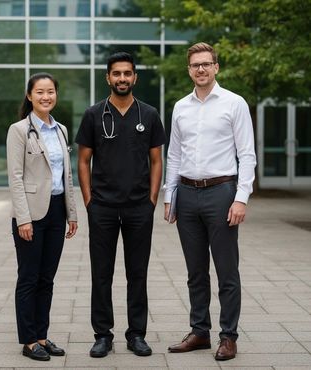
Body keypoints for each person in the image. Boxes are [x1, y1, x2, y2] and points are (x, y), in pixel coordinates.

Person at [164, 42, 256, 361]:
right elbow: (174, 154)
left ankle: (228, 336)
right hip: (187, 195)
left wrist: (241, 198)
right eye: (195, 65)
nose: (200, 69)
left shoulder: (234, 104)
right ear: (188, 70)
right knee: (195, 271)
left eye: (206, 64)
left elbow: (247, 155)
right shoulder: (180, 107)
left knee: (226, 270)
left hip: (222, 193)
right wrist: (169, 195)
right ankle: (200, 332)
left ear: (216, 66)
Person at [75, 52, 166, 358]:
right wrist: (89, 202)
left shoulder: (149, 115)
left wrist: (152, 200)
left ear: (135, 77)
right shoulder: (93, 114)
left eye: (127, 73)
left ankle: (136, 334)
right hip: (102, 208)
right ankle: (103, 335)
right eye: (117, 73)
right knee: (101, 273)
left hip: (139, 207)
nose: (122, 78)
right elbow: (83, 161)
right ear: (108, 78)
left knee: (137, 273)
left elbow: (157, 161)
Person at [6, 72, 78, 361]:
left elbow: (66, 175)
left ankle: (42, 335)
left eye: (50, 92)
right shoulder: (19, 130)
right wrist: (23, 219)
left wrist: (72, 213)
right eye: (40, 92)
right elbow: (15, 177)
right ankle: (28, 340)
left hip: (57, 211)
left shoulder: (60, 129)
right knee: (29, 278)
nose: (46, 97)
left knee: (47, 279)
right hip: (32, 214)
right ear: (30, 96)